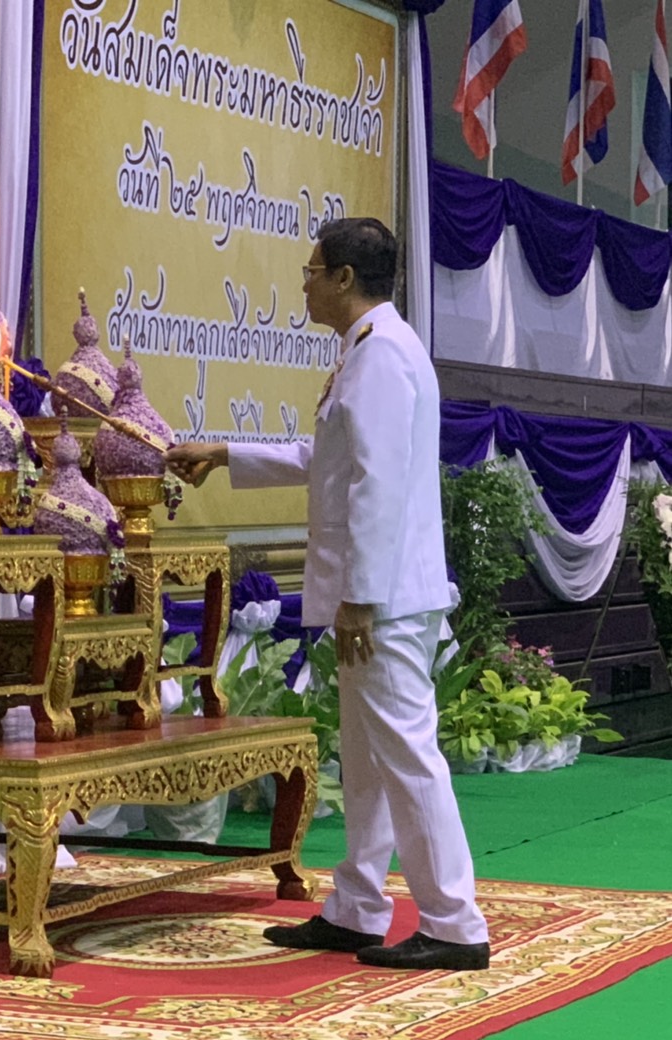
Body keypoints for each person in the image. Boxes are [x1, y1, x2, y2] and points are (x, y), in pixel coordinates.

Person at [166, 217, 490, 972]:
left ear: (345, 278)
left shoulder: (382, 356)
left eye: (313, 270)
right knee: (368, 760)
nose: (305, 282)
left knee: (406, 756)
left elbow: (376, 486)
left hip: (384, 600)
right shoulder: (372, 350)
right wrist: (225, 453)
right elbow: (330, 459)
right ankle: (357, 908)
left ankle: (454, 922)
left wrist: (360, 598)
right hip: (383, 594)